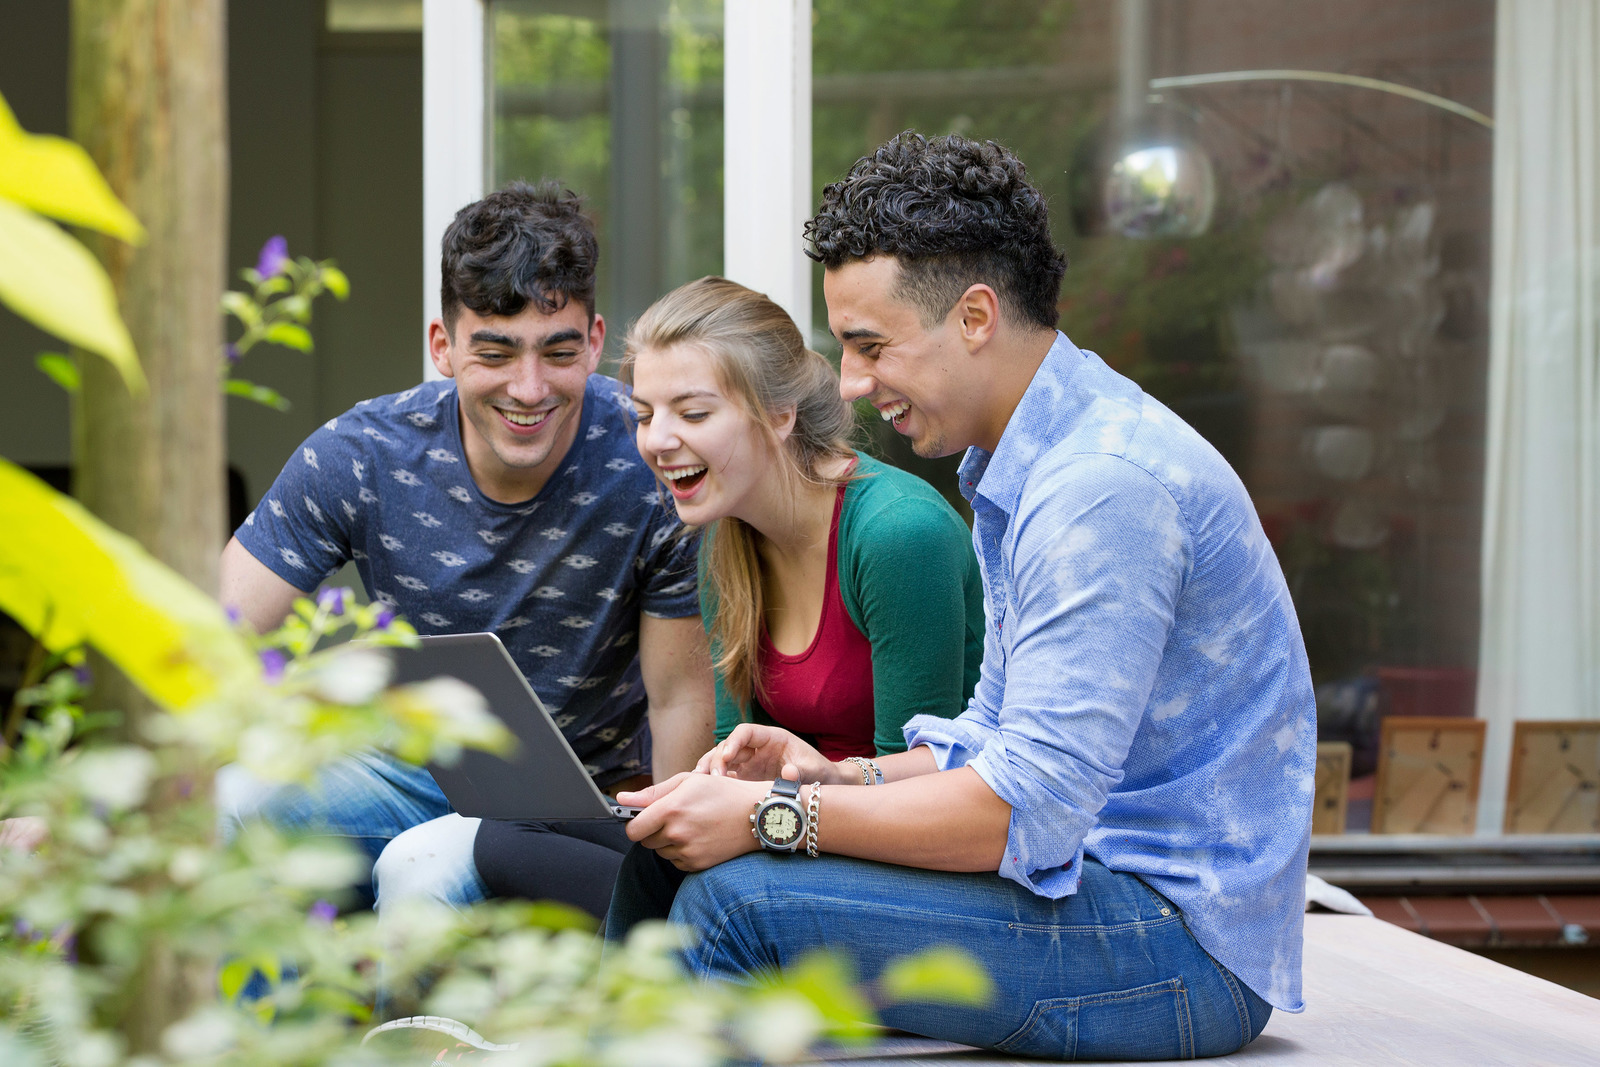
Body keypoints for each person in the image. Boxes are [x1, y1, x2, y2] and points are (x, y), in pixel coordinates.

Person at [611, 133, 1317, 1061]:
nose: (853, 384)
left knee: (739, 904)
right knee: (664, 864)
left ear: (976, 316)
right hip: (1094, 888)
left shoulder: (1100, 486)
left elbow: (1024, 812)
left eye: (870, 347)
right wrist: (826, 774)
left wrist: (770, 815)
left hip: (1180, 944)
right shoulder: (1024, 461)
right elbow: (991, 735)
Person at [217, 181, 715, 922]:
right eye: (496, 351)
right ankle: (249, 1039)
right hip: (407, 769)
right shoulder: (362, 454)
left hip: (581, 805)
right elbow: (212, 635)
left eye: (558, 350)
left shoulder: (649, 459)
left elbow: (678, 698)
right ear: (442, 347)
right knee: (230, 804)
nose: (529, 387)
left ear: (597, 341)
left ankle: (425, 1043)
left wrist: (671, 885)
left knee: (421, 873)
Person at [518, 275, 976, 929]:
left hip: (912, 862)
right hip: (798, 831)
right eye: (645, 414)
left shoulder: (898, 535)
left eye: (694, 413)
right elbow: (737, 748)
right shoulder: (721, 540)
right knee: (513, 838)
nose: (658, 440)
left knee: (685, 882)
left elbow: (923, 791)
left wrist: (754, 811)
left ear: (780, 413)